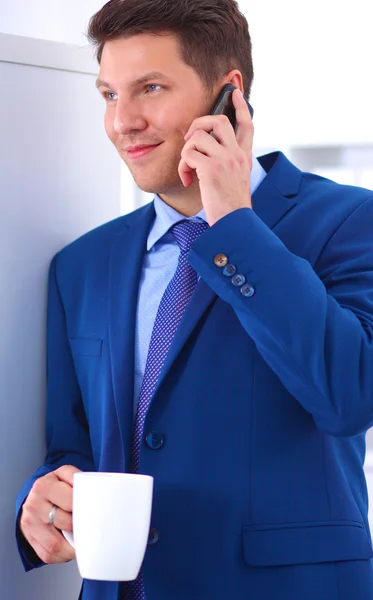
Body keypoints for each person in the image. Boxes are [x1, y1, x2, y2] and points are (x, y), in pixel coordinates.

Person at [15, 0, 373, 599]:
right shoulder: (81, 265)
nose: (121, 122)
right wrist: (45, 500)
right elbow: (74, 447)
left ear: (228, 95)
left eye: (149, 88)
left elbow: (349, 395)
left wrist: (232, 223)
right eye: (108, 95)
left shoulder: (350, 220)